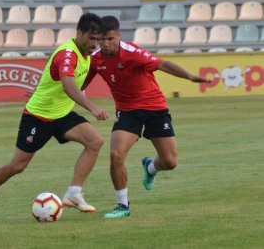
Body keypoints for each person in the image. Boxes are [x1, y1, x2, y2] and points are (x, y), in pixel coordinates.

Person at [0, 13, 109, 221]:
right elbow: (68, 84)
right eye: (91, 38)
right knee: (17, 166)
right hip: (38, 117)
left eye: (98, 39)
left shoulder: (87, 56)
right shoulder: (67, 54)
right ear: (79, 33)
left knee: (95, 141)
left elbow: (64, 82)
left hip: (62, 115)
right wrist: (92, 107)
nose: (95, 43)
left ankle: (73, 193)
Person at [83, 16, 211, 218]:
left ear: (118, 36)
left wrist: (190, 77)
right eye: (101, 40)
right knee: (116, 154)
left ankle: (150, 168)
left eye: (110, 39)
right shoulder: (95, 60)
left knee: (170, 162)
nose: (105, 44)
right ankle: (122, 205)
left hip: (154, 107)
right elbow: (79, 85)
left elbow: (164, 64)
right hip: (127, 111)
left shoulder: (132, 53)